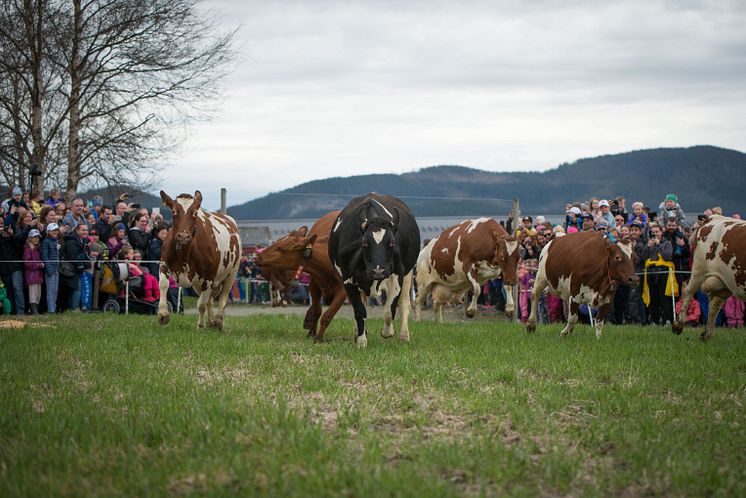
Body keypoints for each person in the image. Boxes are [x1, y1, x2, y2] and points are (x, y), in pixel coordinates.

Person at [642, 223, 675, 325]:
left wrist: (659, 245)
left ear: (661, 232)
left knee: (664, 297)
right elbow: (643, 258)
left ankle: (667, 319)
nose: (655, 234)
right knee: (653, 297)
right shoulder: (649, 243)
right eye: (653, 232)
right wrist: (648, 247)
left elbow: (668, 256)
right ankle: (654, 320)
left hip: (663, 272)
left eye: (657, 232)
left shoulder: (667, 243)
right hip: (651, 273)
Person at [63, 223, 91, 312]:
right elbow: (73, 257)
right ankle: (74, 308)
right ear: (77, 230)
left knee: (77, 287)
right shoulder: (72, 241)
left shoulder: (84, 240)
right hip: (70, 269)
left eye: (86, 230)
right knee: (77, 288)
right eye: (83, 230)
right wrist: (81, 266)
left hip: (77, 268)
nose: (85, 232)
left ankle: (73, 308)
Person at [0, 217, 25, 314]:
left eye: (2, 223)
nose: (1, 225)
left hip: (15, 266)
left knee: (17, 288)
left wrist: (11, 236)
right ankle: (11, 311)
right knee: (8, 289)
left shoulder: (12, 235)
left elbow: (20, 249)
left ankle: (20, 312)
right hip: (3, 268)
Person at [23, 229, 44, 315]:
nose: (36, 239)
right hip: (31, 275)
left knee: (38, 294)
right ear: (30, 238)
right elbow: (27, 263)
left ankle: (36, 310)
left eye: (38, 237)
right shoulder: (28, 249)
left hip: (38, 275)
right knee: (33, 294)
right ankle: (33, 310)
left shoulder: (37, 249)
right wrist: (39, 265)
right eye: (34, 237)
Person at [42, 223, 61, 313]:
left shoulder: (56, 241)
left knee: (55, 290)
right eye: (53, 230)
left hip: (56, 269)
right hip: (50, 270)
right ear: (48, 231)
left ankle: (53, 308)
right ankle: (51, 310)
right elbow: (45, 256)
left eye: (56, 230)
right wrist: (49, 270)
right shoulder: (46, 241)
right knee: (50, 291)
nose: (55, 232)